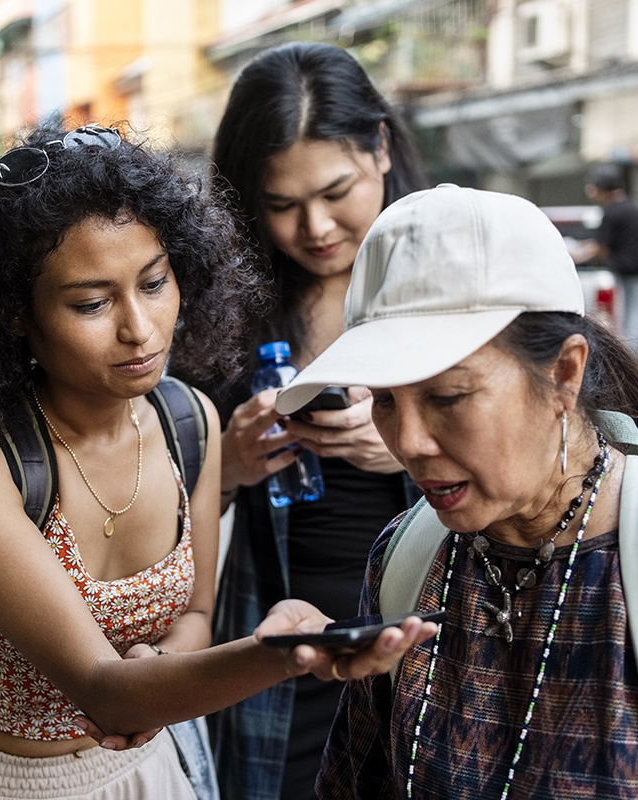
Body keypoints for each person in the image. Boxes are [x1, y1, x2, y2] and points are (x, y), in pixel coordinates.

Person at [0, 122, 436, 800]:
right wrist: (285, 653)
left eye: (153, 283)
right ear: (14, 313)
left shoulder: (188, 421)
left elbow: (192, 619)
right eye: (90, 302)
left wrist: (161, 675)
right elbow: (104, 691)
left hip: (146, 775)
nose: (139, 329)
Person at [270, 185, 638, 799]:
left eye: (448, 397)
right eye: (383, 399)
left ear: (565, 373)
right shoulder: (406, 562)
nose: (409, 441)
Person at [168, 42, 426, 800]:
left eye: (336, 190)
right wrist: (228, 466)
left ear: (380, 148)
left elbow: (553, 464)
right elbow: (158, 520)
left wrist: (411, 450)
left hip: (439, 637)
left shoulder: (451, 280)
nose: (314, 226)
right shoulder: (223, 311)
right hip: (284, 648)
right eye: (281, 205)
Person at [572, 164, 638, 357]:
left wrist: (575, 256)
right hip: (636, 275)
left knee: (625, 329)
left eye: (592, 186)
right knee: (634, 326)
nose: (590, 190)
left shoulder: (613, 212)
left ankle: (627, 369)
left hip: (623, 277)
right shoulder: (631, 207)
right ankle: (633, 370)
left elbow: (600, 247)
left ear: (602, 187)